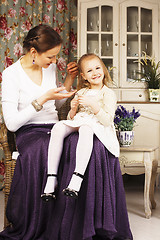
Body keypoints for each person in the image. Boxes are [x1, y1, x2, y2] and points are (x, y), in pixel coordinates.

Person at [0, 25, 133, 239]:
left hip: (54, 126)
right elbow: (13, 123)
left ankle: (87, 223)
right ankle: (56, 218)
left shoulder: (48, 68)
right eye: (51, 57)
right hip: (30, 131)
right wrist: (43, 98)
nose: (54, 62)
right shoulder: (11, 75)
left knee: (96, 144)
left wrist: (68, 84)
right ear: (34, 53)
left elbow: (58, 104)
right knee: (48, 147)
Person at [41, 53, 120, 201]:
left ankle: (77, 177)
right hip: (80, 120)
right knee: (58, 127)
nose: (95, 72)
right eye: (90, 71)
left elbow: (107, 120)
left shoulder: (108, 93)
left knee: (86, 128)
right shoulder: (81, 92)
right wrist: (72, 108)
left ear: (103, 69)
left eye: (97, 68)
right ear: (83, 76)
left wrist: (94, 105)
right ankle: (51, 177)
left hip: (97, 124)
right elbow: (72, 118)